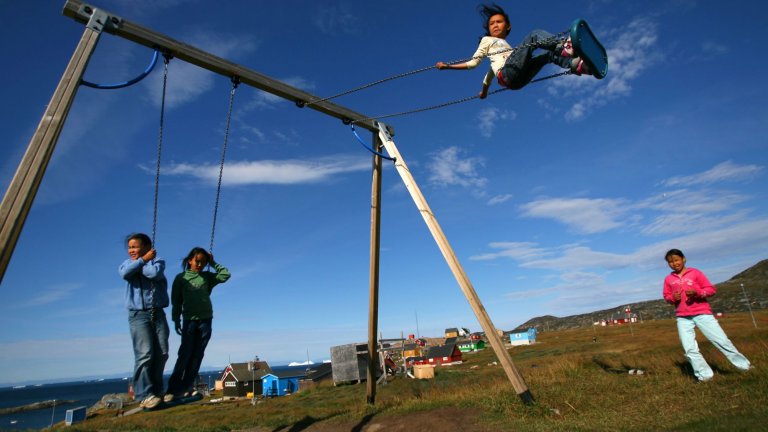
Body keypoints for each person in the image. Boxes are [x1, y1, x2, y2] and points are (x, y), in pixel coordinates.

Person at [436, 3, 591, 96]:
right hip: (509, 74)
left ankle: (578, 65)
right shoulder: (487, 40)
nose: (495, 25)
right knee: (534, 36)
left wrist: (484, 93)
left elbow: (488, 77)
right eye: (491, 24)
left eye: (499, 22)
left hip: (516, 81)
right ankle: (563, 47)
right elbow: (473, 64)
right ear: (488, 30)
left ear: (508, 26)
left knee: (547, 55)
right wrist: (447, 66)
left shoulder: (502, 54)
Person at [662, 249, 752, 382]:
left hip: (702, 314)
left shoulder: (695, 273)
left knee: (721, 341)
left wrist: (697, 292)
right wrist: (672, 298)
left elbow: (710, 290)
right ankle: (705, 376)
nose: (674, 263)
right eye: (670, 262)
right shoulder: (669, 279)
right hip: (683, 317)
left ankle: (745, 367)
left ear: (683, 259)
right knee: (689, 348)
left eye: (676, 260)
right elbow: (667, 297)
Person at [165, 247, 231, 401]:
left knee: (197, 355)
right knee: (185, 354)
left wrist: (213, 262)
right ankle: (173, 389)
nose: (200, 265)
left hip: (206, 321)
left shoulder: (207, 277)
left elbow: (225, 275)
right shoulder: (181, 278)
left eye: (204, 262)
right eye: (197, 261)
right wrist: (176, 320)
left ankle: (187, 386)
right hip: (189, 321)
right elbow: (176, 302)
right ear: (190, 260)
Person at [118, 233, 170, 409]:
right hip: (138, 315)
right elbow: (125, 273)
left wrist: (144, 262)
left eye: (135, 247)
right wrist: (142, 261)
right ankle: (144, 395)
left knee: (162, 352)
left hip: (158, 312)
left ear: (147, 247)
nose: (131, 250)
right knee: (145, 353)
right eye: (130, 247)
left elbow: (153, 273)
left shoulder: (158, 261)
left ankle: (156, 391)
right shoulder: (127, 264)